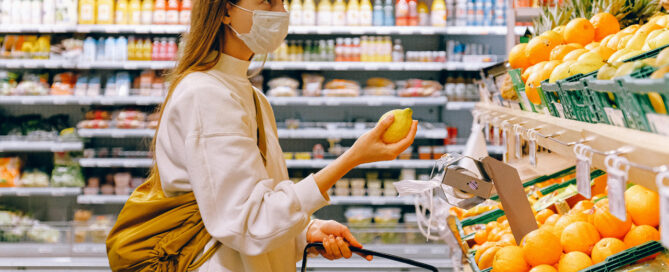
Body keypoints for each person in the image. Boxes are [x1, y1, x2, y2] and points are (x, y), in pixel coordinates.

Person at [153, 0, 418, 270]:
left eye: (283, 2)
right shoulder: (206, 94)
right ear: (224, 11)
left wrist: (303, 233)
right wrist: (351, 158)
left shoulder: (252, 96)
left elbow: (258, 211)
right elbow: (249, 223)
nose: (280, 13)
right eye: (267, 2)